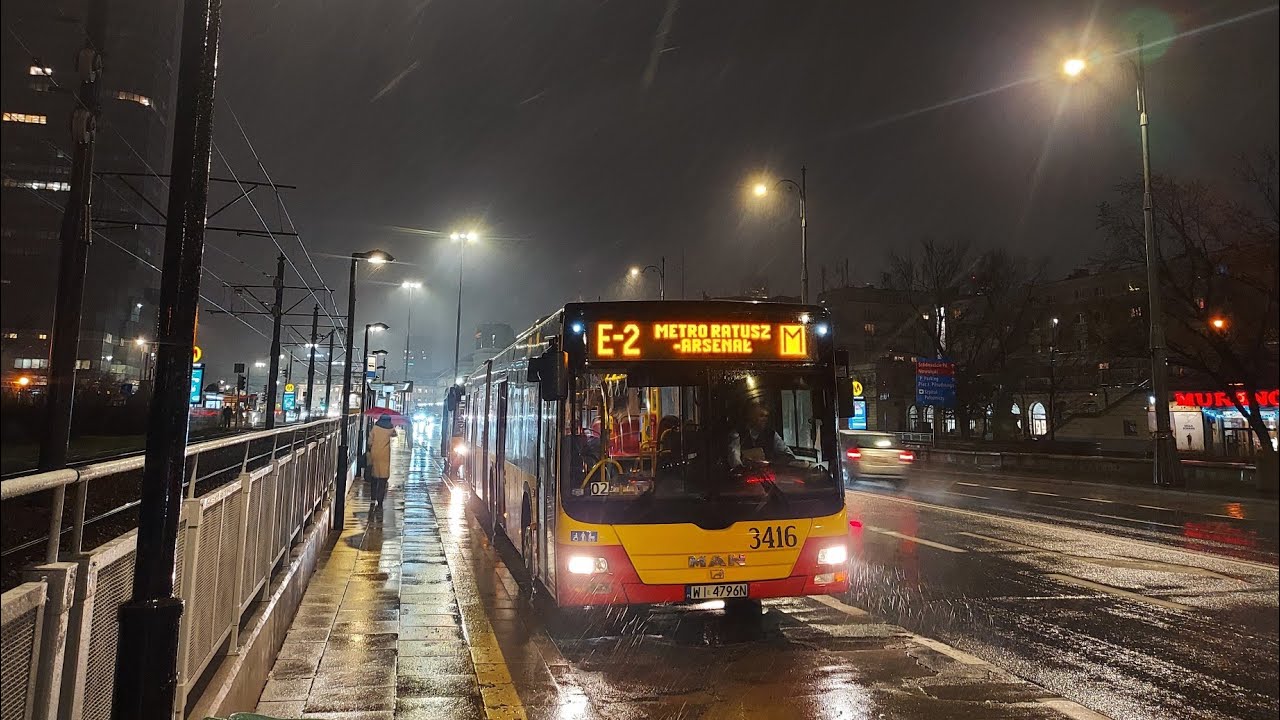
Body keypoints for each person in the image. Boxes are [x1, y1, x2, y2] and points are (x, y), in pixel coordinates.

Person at [728, 401, 794, 468]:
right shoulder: (737, 434)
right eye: (761, 416)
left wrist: (772, 462)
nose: (765, 419)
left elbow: (789, 455)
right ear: (751, 417)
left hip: (768, 475)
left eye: (766, 416)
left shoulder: (772, 434)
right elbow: (734, 459)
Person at [367, 414, 397, 514]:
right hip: (385, 455)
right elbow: (395, 435)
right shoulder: (390, 429)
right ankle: (380, 501)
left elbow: (370, 441)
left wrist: (370, 448)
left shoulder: (375, 427)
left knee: (374, 476)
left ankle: (373, 497)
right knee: (383, 479)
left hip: (375, 453)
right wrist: (393, 427)